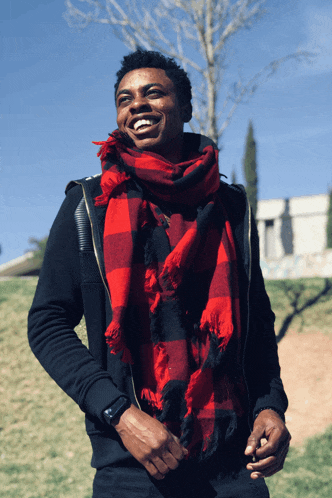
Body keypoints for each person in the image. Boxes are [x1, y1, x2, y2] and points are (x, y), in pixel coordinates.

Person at [28, 49, 291, 498]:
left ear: (185, 108)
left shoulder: (231, 207)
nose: (137, 105)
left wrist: (270, 406)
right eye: (125, 98)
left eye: (153, 93)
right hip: (133, 470)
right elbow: (47, 323)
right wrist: (120, 415)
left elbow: (257, 321)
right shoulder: (89, 206)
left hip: (233, 465)